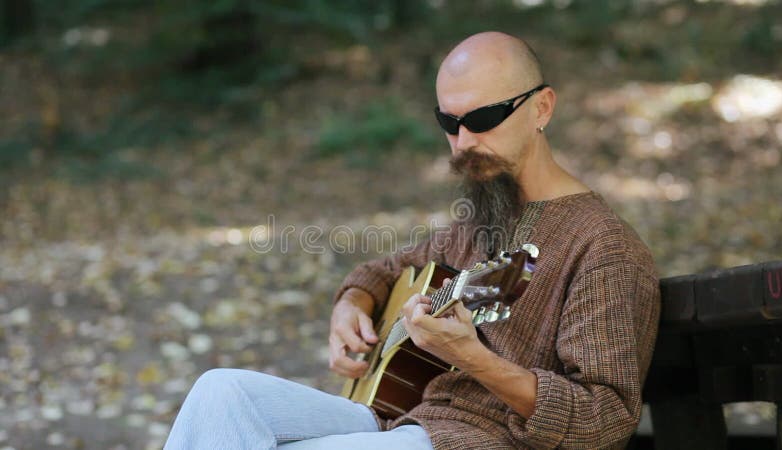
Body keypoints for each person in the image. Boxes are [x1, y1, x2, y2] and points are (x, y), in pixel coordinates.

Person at [164, 31, 661, 450]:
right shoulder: (483, 221)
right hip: (405, 424)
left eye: (483, 119)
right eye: (450, 123)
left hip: (482, 441)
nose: (464, 142)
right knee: (221, 393)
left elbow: (608, 418)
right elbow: (381, 272)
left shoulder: (604, 249)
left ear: (542, 108)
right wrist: (351, 306)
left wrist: (477, 360)